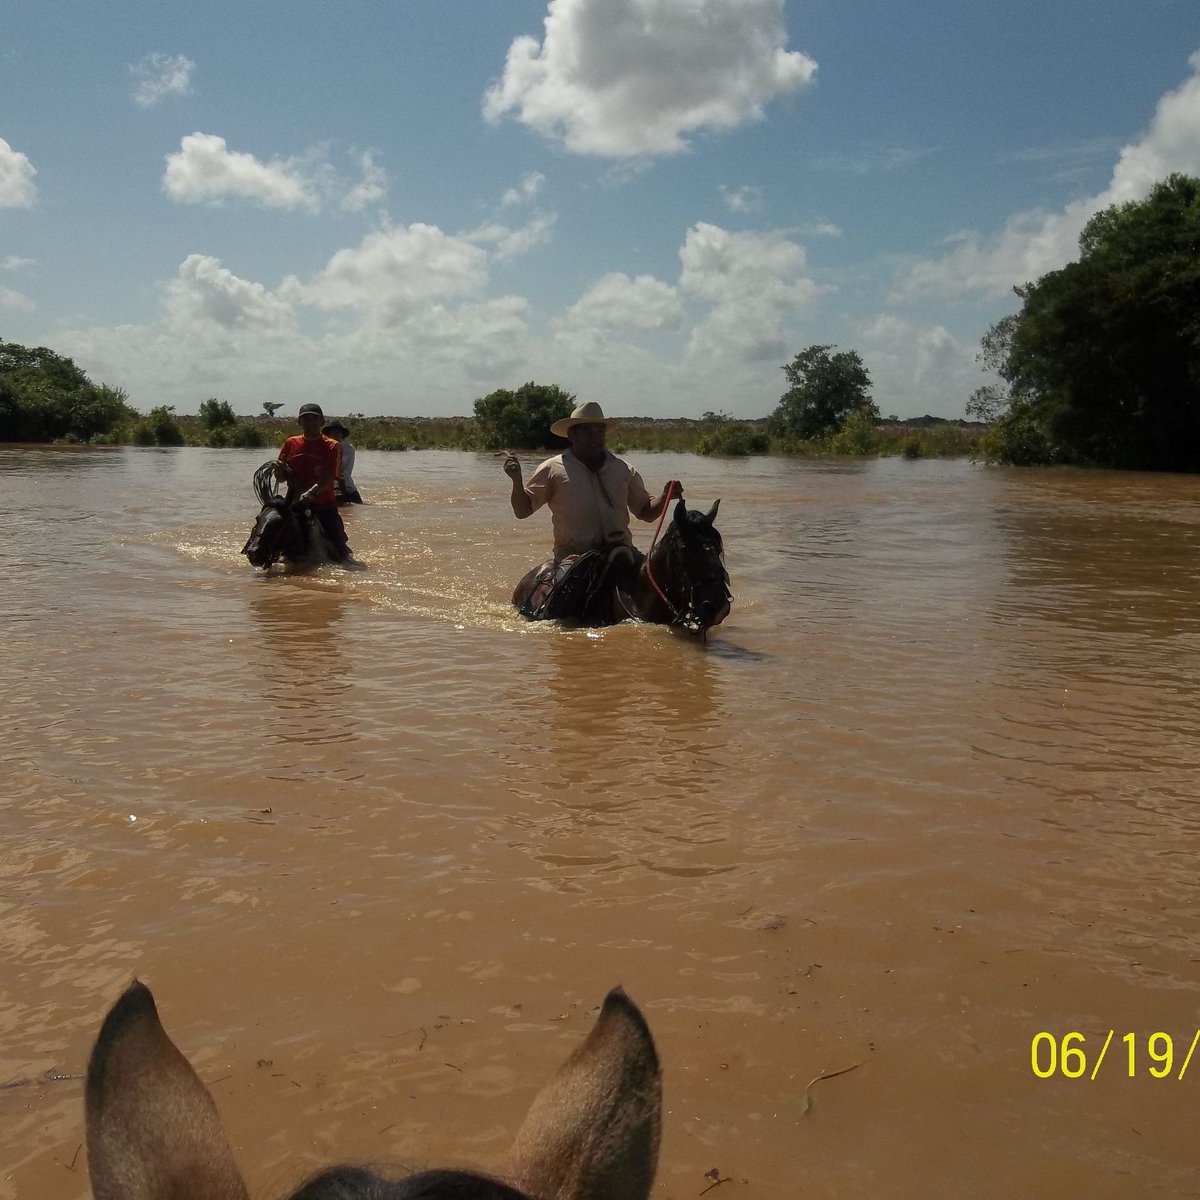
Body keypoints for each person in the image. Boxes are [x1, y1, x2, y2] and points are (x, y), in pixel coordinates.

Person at [503, 401, 680, 565]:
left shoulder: (623, 469)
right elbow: (522, 511)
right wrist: (516, 480)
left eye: (599, 432)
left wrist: (665, 496)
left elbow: (646, 512)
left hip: (621, 552)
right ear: (572, 435)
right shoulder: (552, 469)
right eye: (587, 432)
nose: (594, 438)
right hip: (573, 558)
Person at [275, 403, 352, 561]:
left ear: (322, 422)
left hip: (323, 504)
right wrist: (278, 470)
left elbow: (329, 476)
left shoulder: (332, 446)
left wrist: (311, 493)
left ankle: (345, 559)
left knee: (338, 549)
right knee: (269, 529)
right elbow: (281, 478)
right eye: (305, 419)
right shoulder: (291, 443)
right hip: (294, 503)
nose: (310, 423)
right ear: (299, 422)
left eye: (314, 419)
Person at [322, 420, 364, 504]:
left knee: (359, 506)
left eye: (339, 432)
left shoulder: (349, 449)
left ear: (342, 435)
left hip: (347, 486)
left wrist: (340, 487)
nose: (336, 435)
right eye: (333, 432)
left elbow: (347, 472)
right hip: (326, 486)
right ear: (329, 434)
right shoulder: (323, 447)